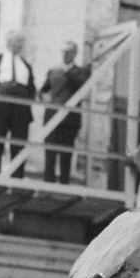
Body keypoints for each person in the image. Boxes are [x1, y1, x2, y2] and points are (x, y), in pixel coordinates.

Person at [0, 31, 37, 175]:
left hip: (20, 105)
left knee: (19, 140)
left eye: (21, 42)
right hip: (0, 103)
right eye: (17, 42)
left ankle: (17, 175)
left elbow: (31, 89)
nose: (20, 45)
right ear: (8, 42)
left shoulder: (26, 66)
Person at [38, 41, 90, 185]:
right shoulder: (53, 71)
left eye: (68, 52)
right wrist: (44, 97)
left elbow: (82, 86)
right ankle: (47, 183)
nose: (65, 54)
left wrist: (67, 71)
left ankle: (64, 182)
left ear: (74, 54)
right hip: (52, 116)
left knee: (66, 153)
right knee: (50, 152)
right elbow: (43, 90)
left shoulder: (81, 72)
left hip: (70, 119)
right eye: (63, 51)